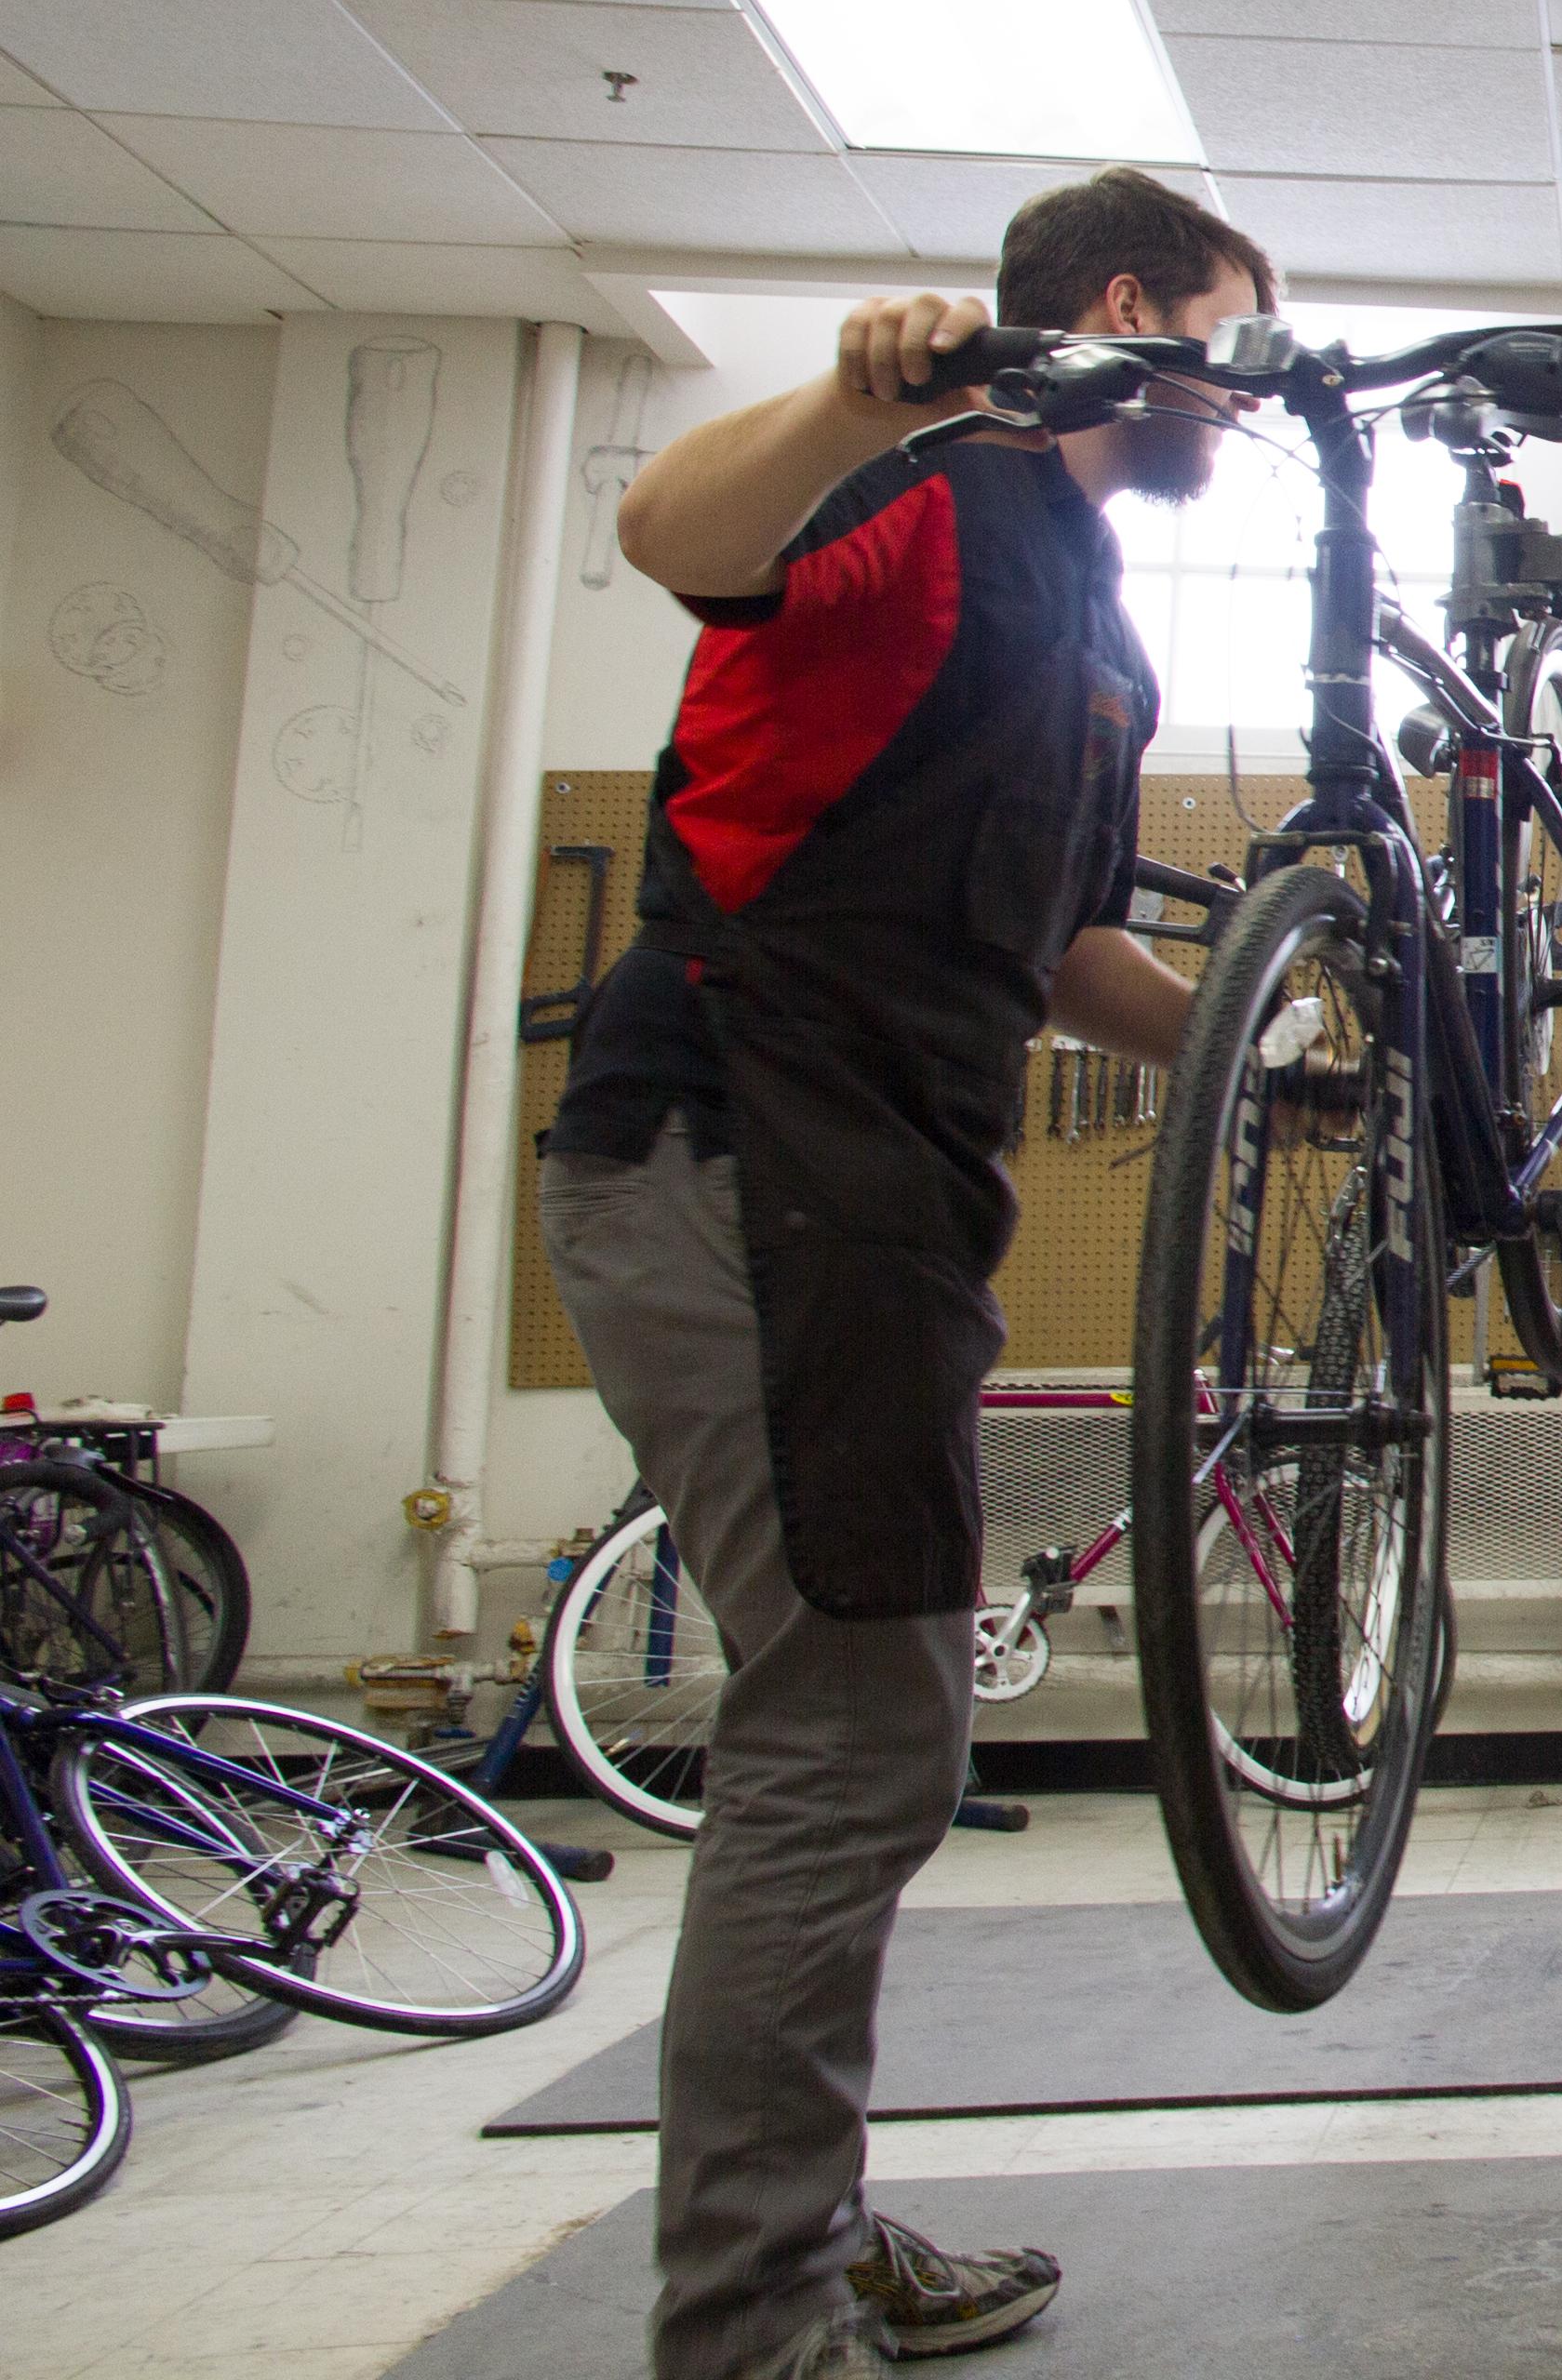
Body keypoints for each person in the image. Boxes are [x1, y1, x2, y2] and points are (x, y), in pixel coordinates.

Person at [538, 171, 1275, 2380]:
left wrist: (1278, 1045)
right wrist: (874, 389)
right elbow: (677, 527)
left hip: (876, 1182)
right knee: (853, 1727)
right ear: (1131, 309)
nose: (1235, 400)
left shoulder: (1093, 617)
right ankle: (750, 2320)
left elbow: (1057, 952)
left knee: (871, 1714)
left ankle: (808, 2232)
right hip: (739, 1143)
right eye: (1227, 344)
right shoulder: (930, 487)